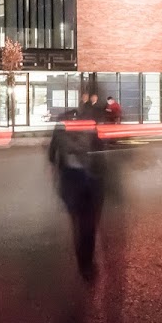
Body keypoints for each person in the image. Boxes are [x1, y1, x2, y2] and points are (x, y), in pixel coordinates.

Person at [48, 116, 106, 281]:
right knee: (88, 223)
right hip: (89, 179)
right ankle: (86, 263)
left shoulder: (61, 125)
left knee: (79, 222)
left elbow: (51, 155)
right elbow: (100, 151)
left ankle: (84, 263)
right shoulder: (90, 123)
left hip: (70, 179)